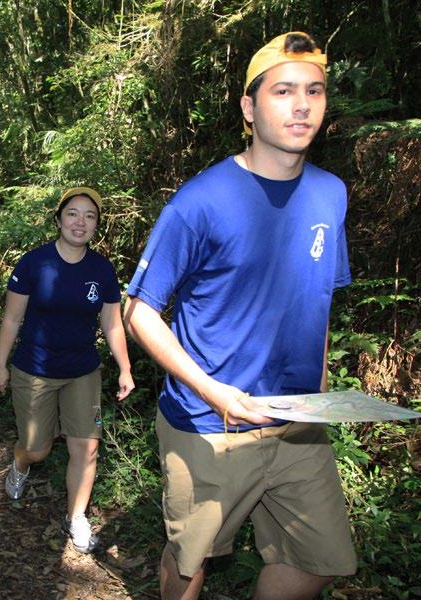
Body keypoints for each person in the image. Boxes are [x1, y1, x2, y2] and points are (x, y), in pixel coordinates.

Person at [123, 32, 357, 599]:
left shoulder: (331, 194)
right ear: (250, 109)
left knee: (321, 558)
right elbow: (139, 313)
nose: (301, 105)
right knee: (189, 562)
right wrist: (212, 392)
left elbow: (320, 300)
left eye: (314, 91)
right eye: (283, 91)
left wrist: (320, 394)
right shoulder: (199, 202)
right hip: (210, 426)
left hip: (298, 423)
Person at [0, 187, 135, 554]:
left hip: (82, 370)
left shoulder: (101, 269)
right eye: (73, 213)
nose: (80, 222)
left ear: (96, 226)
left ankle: (76, 517)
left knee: (86, 449)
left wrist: (124, 367)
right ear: (58, 220)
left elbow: (112, 323)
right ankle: (20, 464)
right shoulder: (33, 264)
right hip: (35, 369)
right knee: (37, 450)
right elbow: (12, 317)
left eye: (89, 216)